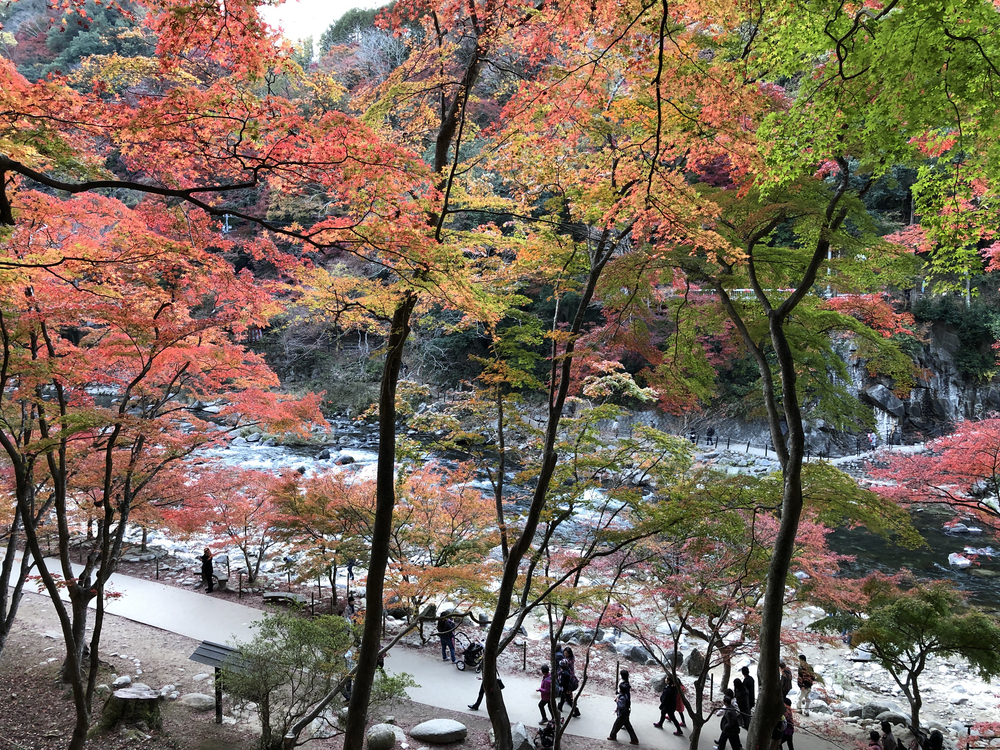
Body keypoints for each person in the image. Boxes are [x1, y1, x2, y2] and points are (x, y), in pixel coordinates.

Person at [608, 670, 639, 745]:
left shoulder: (622, 697)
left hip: (622, 714)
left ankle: (612, 736)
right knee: (628, 725)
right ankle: (634, 739)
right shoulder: (625, 695)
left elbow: (621, 706)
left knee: (616, 725)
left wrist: (617, 701)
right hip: (625, 713)